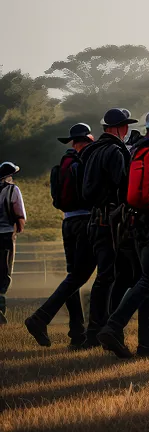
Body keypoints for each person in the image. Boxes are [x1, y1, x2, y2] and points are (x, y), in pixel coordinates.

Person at [97, 112, 149, 358]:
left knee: (144, 279)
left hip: (133, 222)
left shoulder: (134, 151)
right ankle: (113, 325)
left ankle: (147, 343)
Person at [24, 124, 97, 347]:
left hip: (68, 222)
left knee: (73, 276)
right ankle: (40, 318)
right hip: (85, 221)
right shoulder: (84, 163)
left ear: (73, 142)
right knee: (79, 276)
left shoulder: (63, 164)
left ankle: (77, 334)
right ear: (88, 140)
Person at [80, 108, 136, 341]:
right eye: (126, 125)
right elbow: (123, 185)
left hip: (95, 217)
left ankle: (97, 329)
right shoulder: (115, 151)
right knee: (111, 276)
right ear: (119, 128)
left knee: (106, 276)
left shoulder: (92, 151)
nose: (128, 129)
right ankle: (100, 330)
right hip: (110, 221)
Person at [0, 161, 26, 325]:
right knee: (4, 272)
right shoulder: (13, 190)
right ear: (8, 177)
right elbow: (20, 215)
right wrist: (18, 229)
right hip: (6, 235)